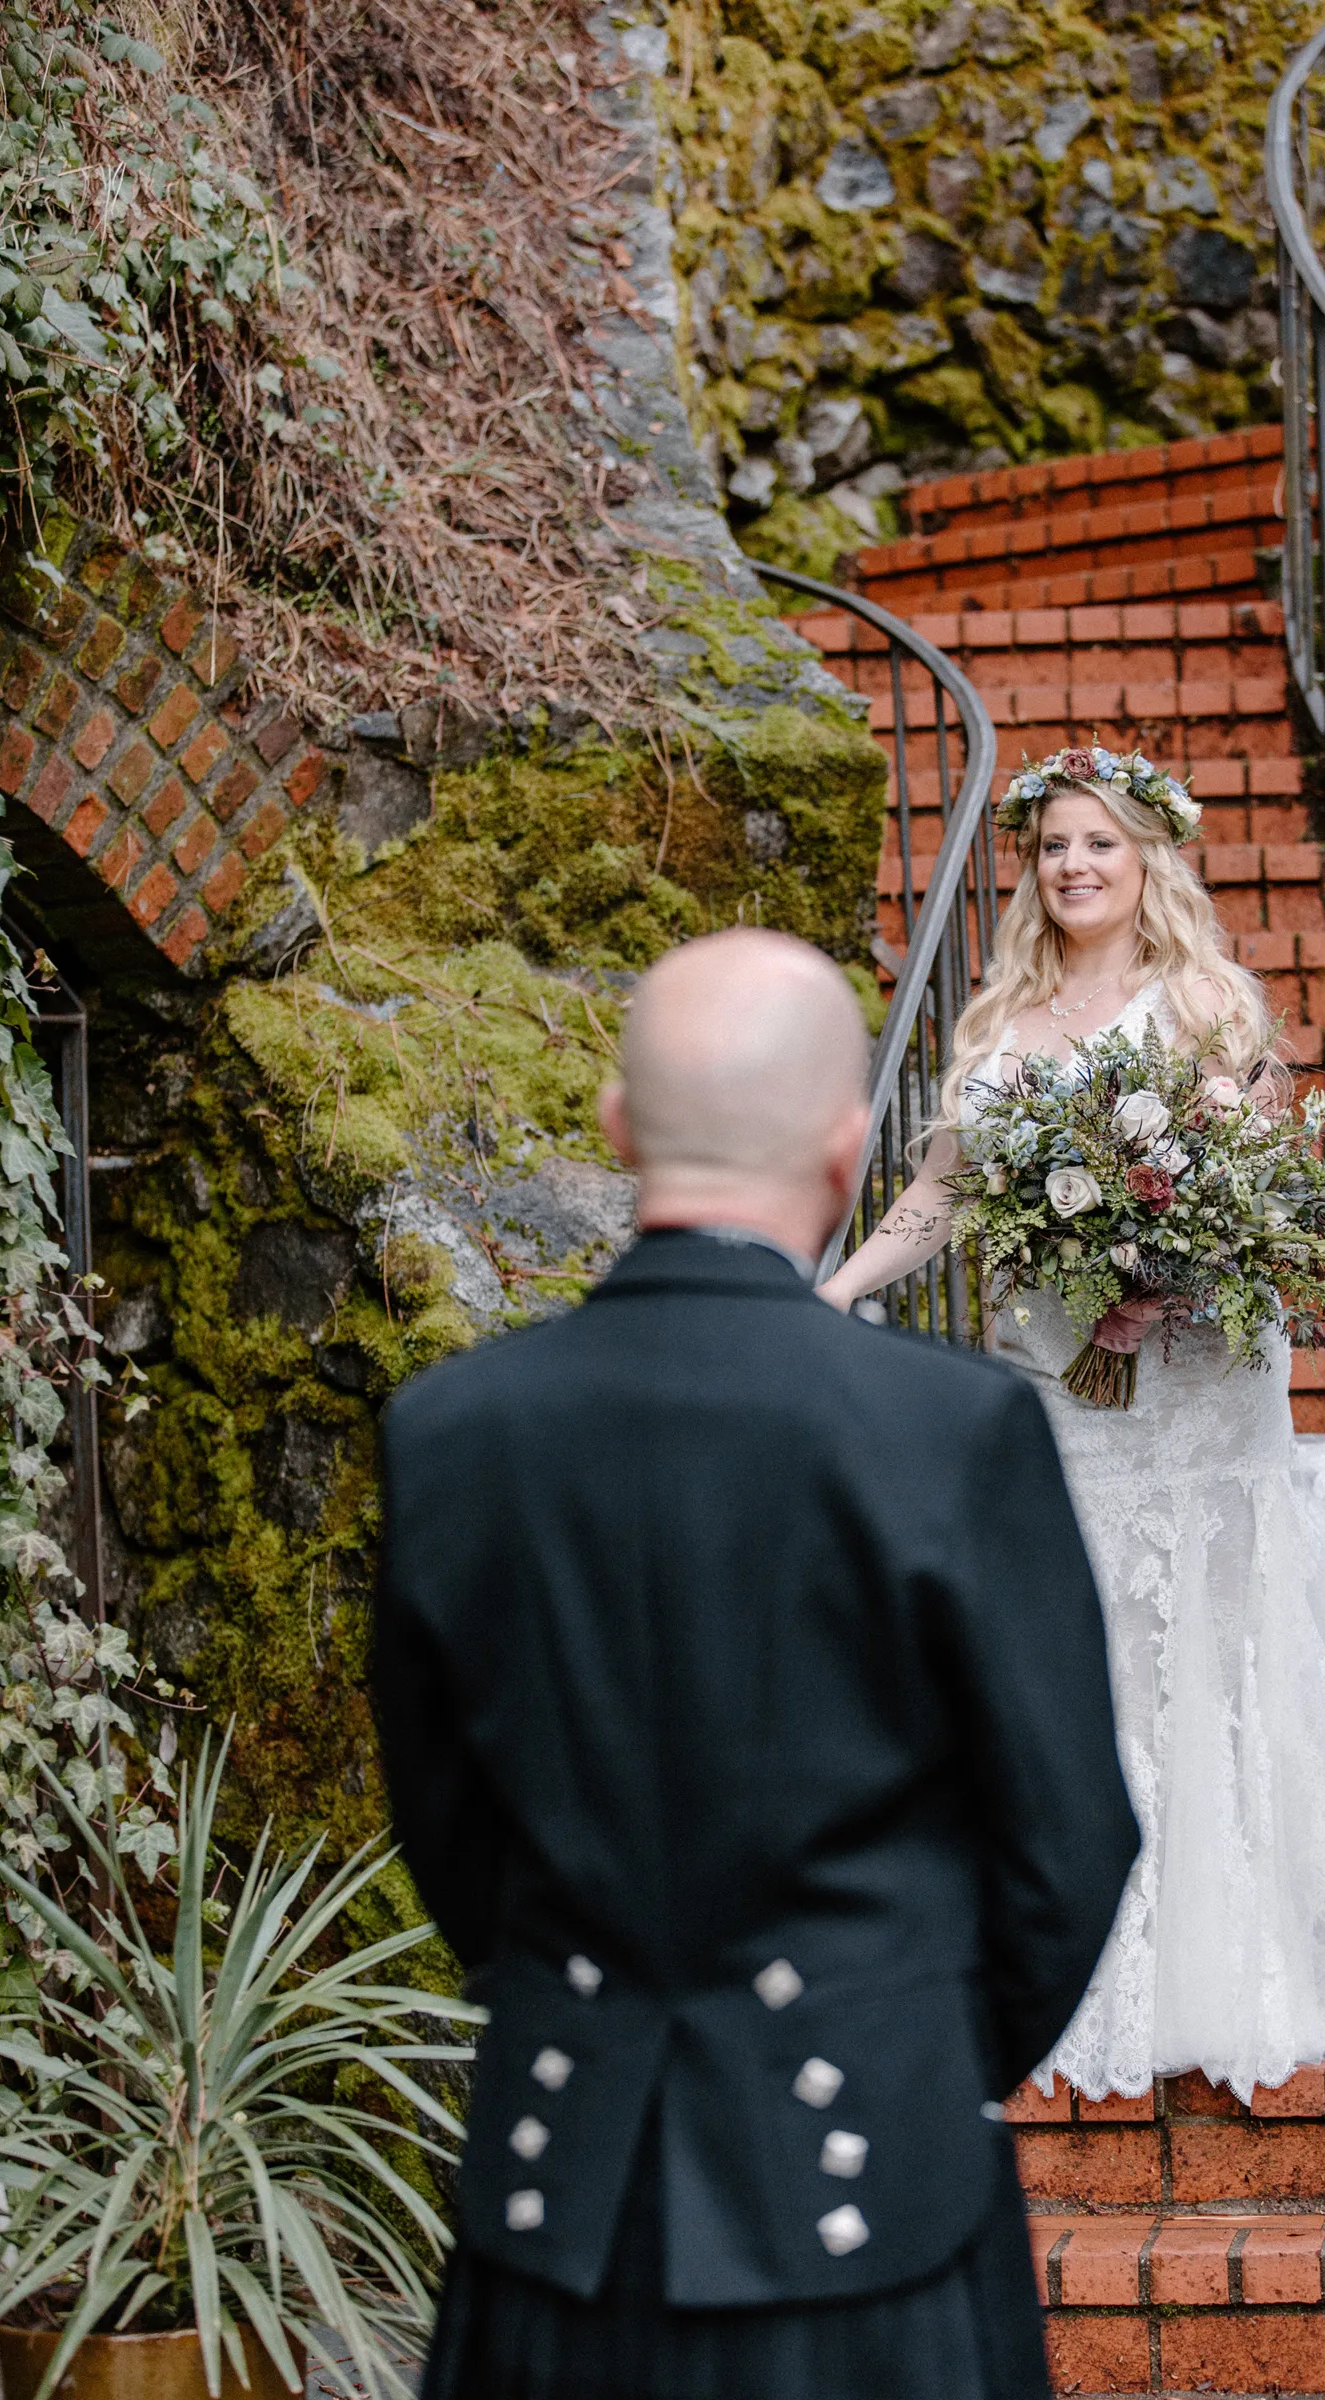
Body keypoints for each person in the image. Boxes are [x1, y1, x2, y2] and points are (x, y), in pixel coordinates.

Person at [374, 926, 1140, 2400]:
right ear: (850, 1150)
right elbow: (1070, 1840)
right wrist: (907, 2049)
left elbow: (447, 1828)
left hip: (560, 2209)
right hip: (882, 2211)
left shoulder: (451, 1432)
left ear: (619, 1129)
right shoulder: (951, 1429)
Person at [822, 752, 1325, 2106]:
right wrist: (833, 1293)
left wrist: (1160, 1281)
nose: (1074, 866)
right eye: (1054, 846)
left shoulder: (1202, 1000)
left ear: (1147, 862)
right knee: (1080, 1618)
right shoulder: (999, 1018)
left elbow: (1242, 1192)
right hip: (1052, 1376)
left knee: (1207, 1613)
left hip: (1191, 1376)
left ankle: (1217, 1915)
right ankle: (1080, 1885)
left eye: (1100, 844)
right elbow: (940, 1195)